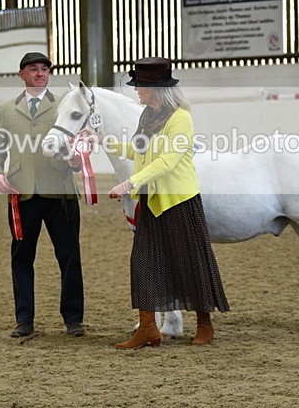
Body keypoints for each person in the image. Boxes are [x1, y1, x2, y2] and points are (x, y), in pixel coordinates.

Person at [86, 57, 229, 349]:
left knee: (191, 263)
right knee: (144, 264)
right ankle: (149, 328)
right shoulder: (146, 117)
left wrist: (130, 183)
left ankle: (205, 324)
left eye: (140, 86)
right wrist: (101, 139)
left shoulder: (180, 118)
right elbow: (136, 150)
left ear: (156, 89)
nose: (136, 90)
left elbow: (168, 161)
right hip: (151, 202)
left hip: (179, 201)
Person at [0, 52, 85, 338]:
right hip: (22, 193)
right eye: (34, 69)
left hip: (60, 191)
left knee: (69, 256)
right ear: (22, 74)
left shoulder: (63, 105)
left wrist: (75, 159)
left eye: (44, 69)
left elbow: (75, 141)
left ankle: (73, 318)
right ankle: (25, 319)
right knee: (21, 257)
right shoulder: (6, 109)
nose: (40, 73)